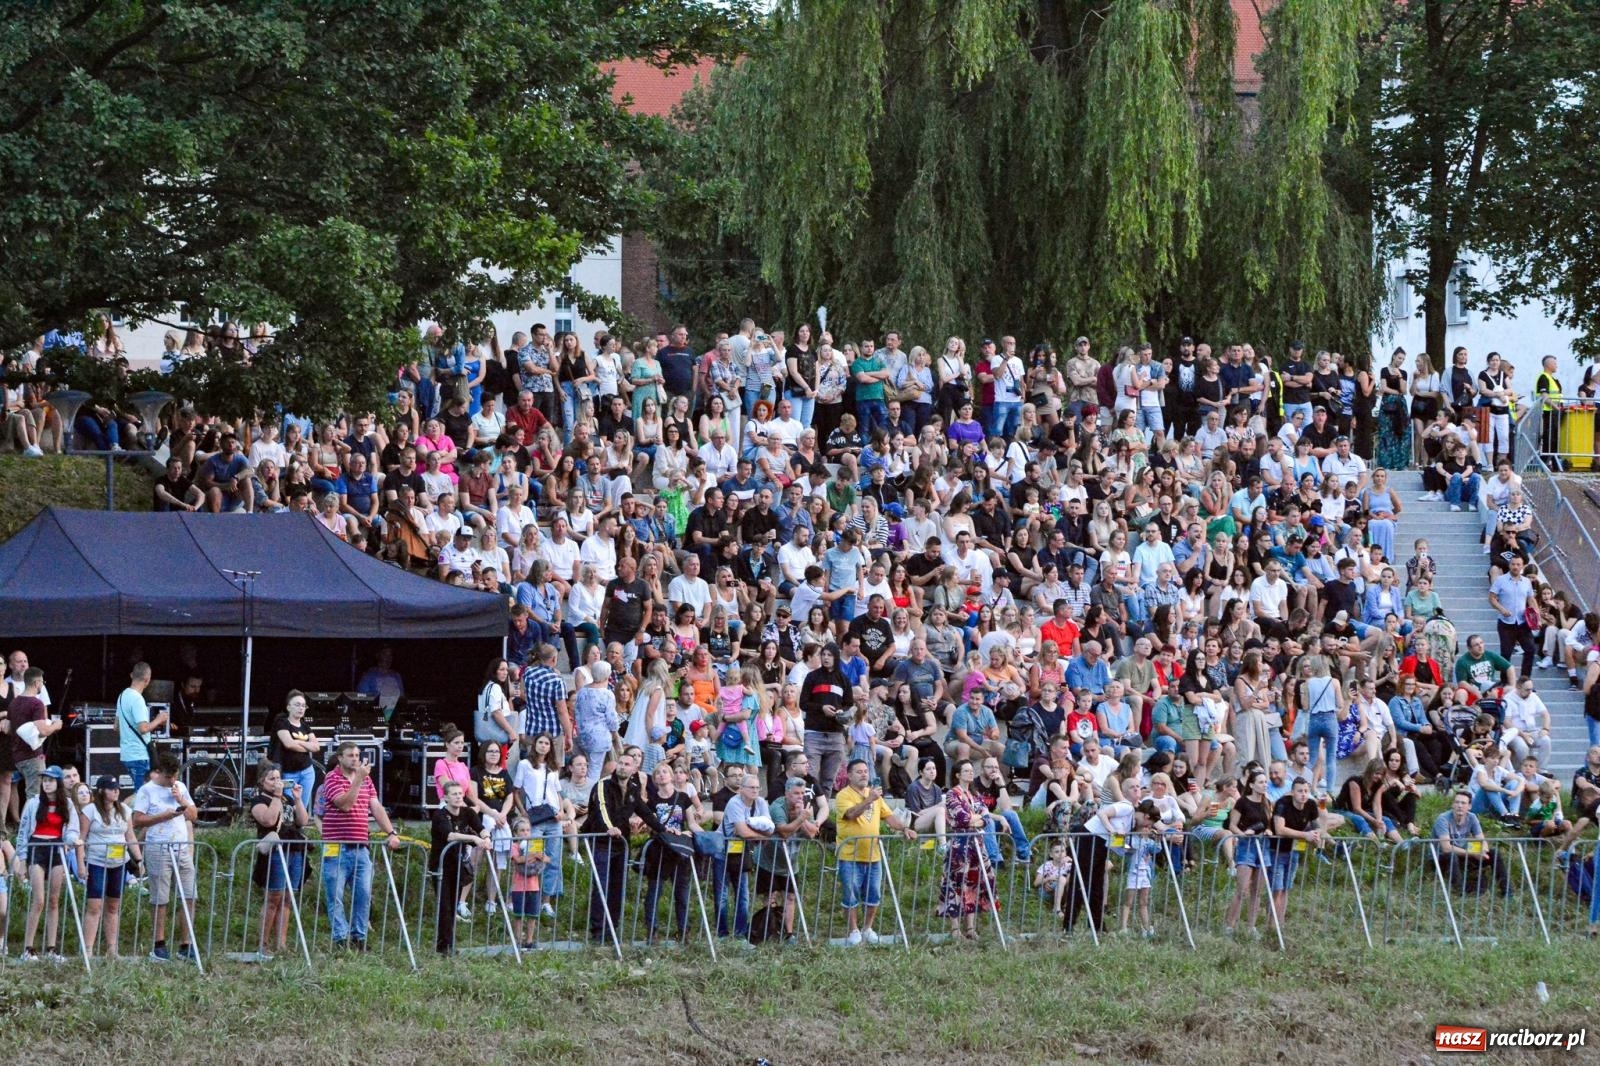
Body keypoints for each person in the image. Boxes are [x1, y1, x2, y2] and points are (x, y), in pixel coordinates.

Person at [318, 741, 405, 950]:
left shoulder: (366, 780)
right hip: (336, 846)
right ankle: (340, 938)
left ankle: (359, 937)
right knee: (335, 896)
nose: (355, 759)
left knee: (363, 896)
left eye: (357, 755)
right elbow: (345, 805)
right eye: (350, 755)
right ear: (339, 758)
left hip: (360, 846)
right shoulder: (331, 779)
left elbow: (375, 807)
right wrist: (358, 779)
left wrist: (391, 832)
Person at [581, 745, 666, 943]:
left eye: (627, 764)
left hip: (622, 845)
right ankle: (598, 931)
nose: (622, 767)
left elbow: (645, 811)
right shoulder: (603, 785)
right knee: (601, 886)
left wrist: (663, 829)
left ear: (635, 769)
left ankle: (613, 928)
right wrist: (610, 828)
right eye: (620, 763)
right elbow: (602, 810)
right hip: (603, 842)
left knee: (618, 888)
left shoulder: (634, 789)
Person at [835, 758, 917, 945]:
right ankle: (853, 930)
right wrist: (869, 799)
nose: (864, 774)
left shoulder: (875, 796)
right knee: (851, 894)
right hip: (849, 855)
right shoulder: (843, 796)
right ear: (849, 775)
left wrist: (904, 829)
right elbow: (851, 814)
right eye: (859, 771)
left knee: (874, 894)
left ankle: (867, 928)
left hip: (873, 855)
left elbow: (889, 817)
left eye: (865, 771)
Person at [132, 752, 200, 963]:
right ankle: (159, 944)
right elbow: (137, 820)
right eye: (168, 776)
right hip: (158, 846)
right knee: (160, 897)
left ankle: (186, 944)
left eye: (174, 776)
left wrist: (181, 800)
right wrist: (164, 816)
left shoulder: (181, 787)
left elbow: (194, 815)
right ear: (158, 772)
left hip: (181, 846)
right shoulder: (146, 791)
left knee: (189, 895)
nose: (172, 780)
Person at [15, 765, 79, 962]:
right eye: (44, 780)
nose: (47, 783)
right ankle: (28, 948)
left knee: (53, 900)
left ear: (58, 783)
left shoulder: (67, 804)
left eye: (51, 780)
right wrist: (21, 859)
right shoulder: (34, 803)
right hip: (37, 847)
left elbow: (72, 829)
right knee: (39, 900)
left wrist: (71, 840)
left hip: (57, 849)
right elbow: (23, 832)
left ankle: (51, 949)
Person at [250, 760, 309, 960]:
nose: (277, 782)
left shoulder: (287, 799)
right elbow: (268, 820)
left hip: (295, 849)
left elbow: (302, 821)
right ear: (261, 781)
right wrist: (276, 796)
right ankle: (263, 943)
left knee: (288, 898)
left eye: (278, 778)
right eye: (271, 778)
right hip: (276, 851)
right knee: (273, 897)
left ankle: (281, 944)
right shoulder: (259, 800)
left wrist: (298, 800)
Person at [80, 774, 140, 958]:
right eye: (111, 788)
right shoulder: (90, 810)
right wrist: (81, 864)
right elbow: (81, 838)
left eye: (117, 788)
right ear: (101, 791)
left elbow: (130, 836)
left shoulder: (124, 810)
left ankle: (112, 949)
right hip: (96, 860)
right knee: (94, 905)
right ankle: (88, 949)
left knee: (113, 905)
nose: (116, 791)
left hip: (118, 861)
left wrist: (138, 860)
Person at [430, 779, 489, 954]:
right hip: (441, 866)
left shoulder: (467, 812)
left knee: (453, 904)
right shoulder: (440, 815)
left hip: (458, 865)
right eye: (454, 794)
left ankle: (449, 943)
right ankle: (444, 946)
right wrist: (473, 839)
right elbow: (450, 835)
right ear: (446, 798)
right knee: (445, 906)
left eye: (460, 793)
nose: (458, 797)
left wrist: (485, 837)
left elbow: (480, 827)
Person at [1433, 788, 1510, 897]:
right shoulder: (1443, 819)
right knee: (1451, 856)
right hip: (1440, 857)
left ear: (1469, 806)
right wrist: (1472, 853)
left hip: (1461, 852)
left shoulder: (1472, 817)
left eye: (1463, 803)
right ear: (1452, 805)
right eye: (1457, 802)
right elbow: (1446, 847)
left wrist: (1482, 851)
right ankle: (1460, 892)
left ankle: (1507, 891)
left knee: (1493, 853)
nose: (1459, 806)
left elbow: (1483, 842)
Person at [8, 665, 59, 801]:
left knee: (26, 793)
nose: (42, 685)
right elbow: (43, 730)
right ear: (37, 683)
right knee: (35, 797)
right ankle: (30, 822)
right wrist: (56, 726)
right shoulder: (37, 704)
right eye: (42, 682)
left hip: (17, 755)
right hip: (32, 756)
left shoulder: (14, 703)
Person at [268, 689, 321, 804]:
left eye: (303, 706)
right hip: (288, 773)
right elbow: (289, 744)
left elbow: (316, 747)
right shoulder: (282, 723)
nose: (301, 708)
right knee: (289, 805)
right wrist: (307, 746)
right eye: (297, 705)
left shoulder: (305, 726)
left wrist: (298, 742)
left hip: (307, 771)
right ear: (288, 707)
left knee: (303, 805)